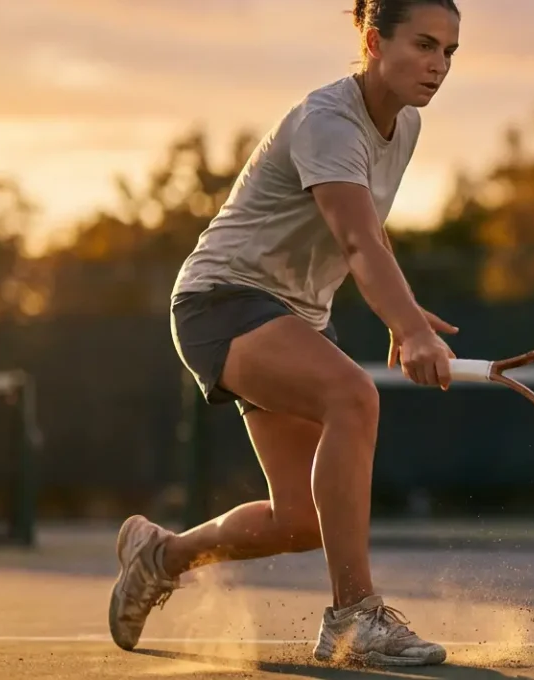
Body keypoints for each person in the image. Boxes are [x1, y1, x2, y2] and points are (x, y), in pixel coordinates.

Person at [107, 0, 463, 668]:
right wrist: (407, 325)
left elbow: (366, 226)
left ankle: (162, 555)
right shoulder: (329, 121)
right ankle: (353, 618)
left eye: (448, 51)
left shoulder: (405, 126)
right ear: (371, 38)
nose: (437, 65)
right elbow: (356, 240)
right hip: (223, 300)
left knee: (300, 519)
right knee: (354, 398)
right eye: (423, 45)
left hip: (291, 316)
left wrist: (403, 315)